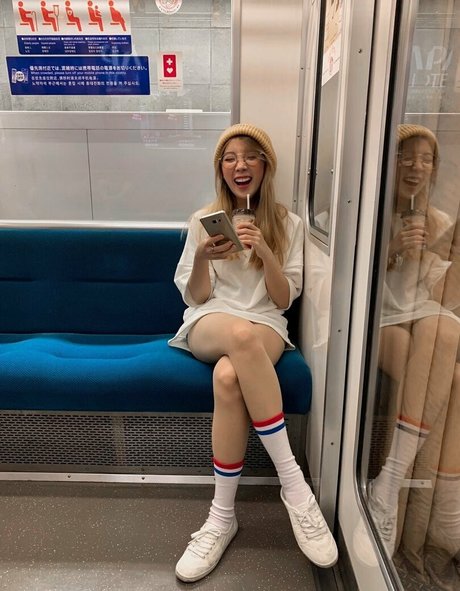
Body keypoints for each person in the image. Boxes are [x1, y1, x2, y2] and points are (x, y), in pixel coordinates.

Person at [169, 123, 338, 582]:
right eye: (229, 158)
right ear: (221, 169)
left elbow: (282, 300)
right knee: (238, 337)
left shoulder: (289, 223)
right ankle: (295, 486)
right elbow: (196, 298)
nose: (239, 165)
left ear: (266, 165)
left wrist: (266, 250)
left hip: (265, 323)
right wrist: (203, 256)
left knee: (228, 377)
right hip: (211, 321)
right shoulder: (203, 219)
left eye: (249, 156)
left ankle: (221, 517)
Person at [355, 124, 460, 576]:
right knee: (452, 380)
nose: (416, 167)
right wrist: (392, 249)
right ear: (388, 162)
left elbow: (442, 298)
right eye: (406, 157)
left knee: (448, 338)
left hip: (418, 313)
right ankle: (442, 520)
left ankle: (391, 484)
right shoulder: (362, 212)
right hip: (371, 316)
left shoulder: (438, 221)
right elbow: (348, 285)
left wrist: (445, 250)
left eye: (426, 159)